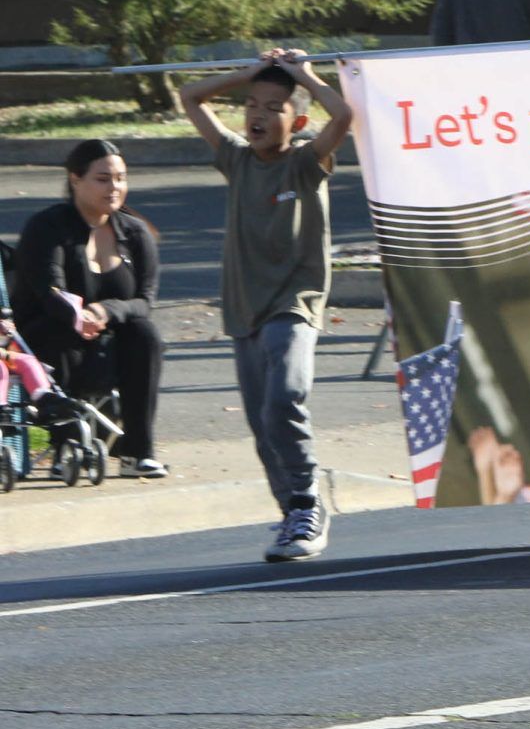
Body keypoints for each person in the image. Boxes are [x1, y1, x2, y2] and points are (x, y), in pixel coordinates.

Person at [178, 50, 354, 561]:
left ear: (296, 121)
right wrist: (250, 74)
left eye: (273, 108)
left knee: (285, 397)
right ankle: (292, 514)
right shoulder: (235, 158)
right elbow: (190, 97)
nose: (257, 115)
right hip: (244, 307)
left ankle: (306, 502)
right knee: (262, 421)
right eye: (251, 105)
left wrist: (303, 75)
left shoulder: (305, 162)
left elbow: (341, 116)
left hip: (294, 303)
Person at [13, 139, 166, 477]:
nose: (115, 187)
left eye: (121, 178)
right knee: (55, 332)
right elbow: (48, 290)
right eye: (103, 178)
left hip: (110, 337)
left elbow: (145, 300)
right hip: (50, 337)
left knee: (145, 334)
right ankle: (66, 447)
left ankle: (137, 453)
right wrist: (78, 316)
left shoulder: (135, 233)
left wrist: (106, 312)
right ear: (75, 179)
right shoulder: (47, 227)